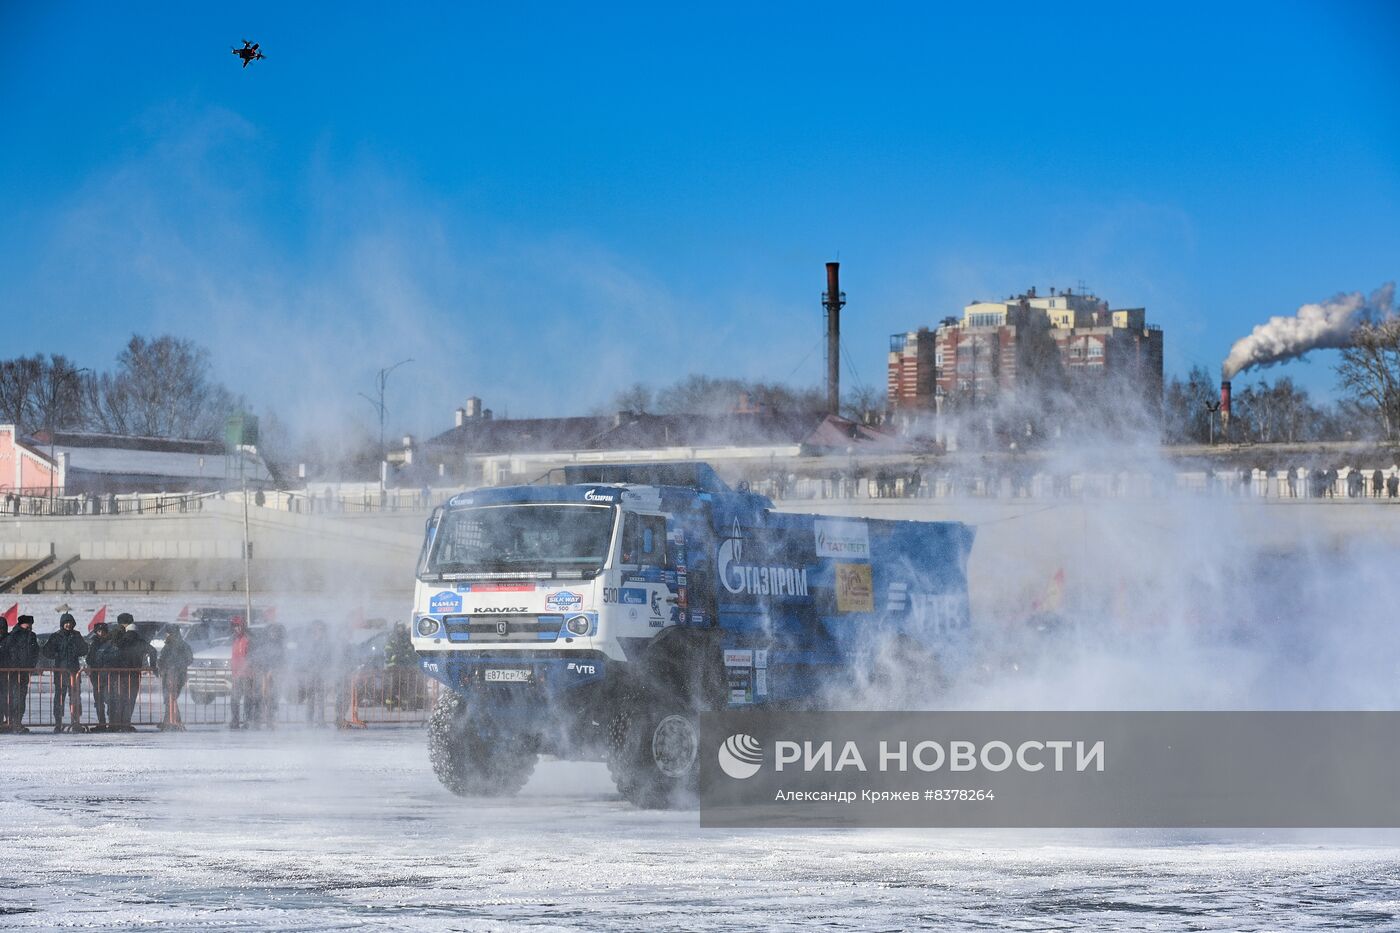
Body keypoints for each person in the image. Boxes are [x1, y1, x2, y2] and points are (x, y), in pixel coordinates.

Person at [41, 613, 87, 732]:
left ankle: (76, 721)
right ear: (62, 624)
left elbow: (84, 649)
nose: (68, 625)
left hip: (74, 672)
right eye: (66, 623)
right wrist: (56, 654)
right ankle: (58, 722)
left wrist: (77, 649)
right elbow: (46, 651)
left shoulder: (76, 635)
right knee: (59, 699)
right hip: (60, 672)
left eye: (70, 623)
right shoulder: (56, 636)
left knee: (76, 698)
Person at [111, 613, 156, 731]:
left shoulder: (121, 639)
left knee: (120, 698)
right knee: (130, 699)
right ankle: (126, 723)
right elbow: (153, 651)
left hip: (121, 673)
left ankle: (118, 723)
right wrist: (153, 665)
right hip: (135, 674)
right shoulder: (140, 640)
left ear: (122, 624)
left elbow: (113, 649)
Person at [1, 615, 40, 733]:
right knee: (8, 698)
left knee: (19, 698)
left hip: (23, 672)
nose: (29, 626)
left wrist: (30, 666)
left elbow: (35, 652)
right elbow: (7, 653)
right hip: (11, 672)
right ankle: (9, 722)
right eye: (27, 623)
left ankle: (15, 722)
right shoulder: (13, 636)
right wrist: (12, 666)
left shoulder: (31, 636)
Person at [249, 623, 286, 728]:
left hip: (274, 676)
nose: (273, 634)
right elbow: (257, 657)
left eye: (275, 632)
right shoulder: (263, 645)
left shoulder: (280, 646)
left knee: (273, 699)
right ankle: (257, 721)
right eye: (272, 632)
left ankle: (271, 720)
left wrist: (274, 670)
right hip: (262, 674)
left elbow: (282, 661)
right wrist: (260, 670)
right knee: (259, 698)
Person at [157, 626, 194, 730]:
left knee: (170, 699)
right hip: (171, 674)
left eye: (168, 633)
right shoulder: (174, 645)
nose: (166, 635)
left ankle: (175, 722)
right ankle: (169, 721)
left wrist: (174, 665)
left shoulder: (179, 646)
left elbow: (189, 659)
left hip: (175, 675)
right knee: (169, 699)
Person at [86, 621, 117, 731]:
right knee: (98, 701)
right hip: (96, 676)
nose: (101, 633)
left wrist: (101, 661)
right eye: (98, 631)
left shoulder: (111, 643)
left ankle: (112, 723)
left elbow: (113, 657)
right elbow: (89, 658)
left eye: (103, 631)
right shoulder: (94, 643)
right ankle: (102, 723)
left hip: (107, 675)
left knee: (110, 700)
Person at [383, 621, 418, 710]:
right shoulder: (392, 637)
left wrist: (406, 656)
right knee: (393, 686)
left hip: (404, 667)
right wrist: (395, 656)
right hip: (393, 667)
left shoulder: (406, 638)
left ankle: (404, 704)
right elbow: (388, 650)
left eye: (402, 627)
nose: (400, 629)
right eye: (399, 627)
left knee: (404, 686)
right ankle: (390, 704)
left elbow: (410, 650)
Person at [300, 620, 329, 724]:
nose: (318, 631)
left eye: (320, 629)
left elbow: (326, 657)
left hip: (320, 673)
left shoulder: (325, 643)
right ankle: (309, 721)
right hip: (311, 673)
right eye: (316, 629)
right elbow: (305, 657)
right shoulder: (308, 642)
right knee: (311, 699)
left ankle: (321, 721)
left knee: (321, 699)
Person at [229, 617, 253, 729]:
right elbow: (235, 658)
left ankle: (247, 720)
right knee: (234, 699)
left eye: (238, 626)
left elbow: (249, 659)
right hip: (236, 674)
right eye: (234, 626)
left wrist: (241, 671)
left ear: (243, 626)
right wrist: (234, 673)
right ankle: (235, 720)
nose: (236, 628)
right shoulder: (235, 639)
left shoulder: (248, 639)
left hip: (246, 675)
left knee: (247, 699)